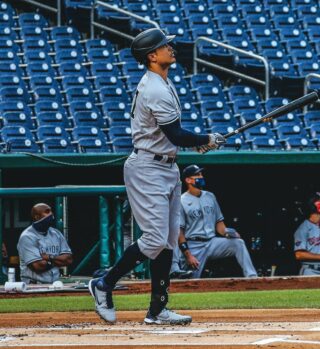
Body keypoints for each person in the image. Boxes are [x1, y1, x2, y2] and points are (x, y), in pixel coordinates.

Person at [88, 28, 226, 325]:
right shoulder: (155, 88)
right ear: (152, 55)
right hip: (148, 168)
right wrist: (206, 138)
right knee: (152, 239)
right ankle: (104, 284)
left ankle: (157, 309)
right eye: (165, 46)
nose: (170, 48)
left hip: (166, 165)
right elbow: (175, 133)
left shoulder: (161, 82)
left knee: (166, 242)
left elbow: (173, 137)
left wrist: (199, 141)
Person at [170, 165, 257, 279]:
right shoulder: (181, 200)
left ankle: (252, 277)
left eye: (201, 174)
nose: (201, 177)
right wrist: (188, 255)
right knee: (190, 282)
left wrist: (228, 233)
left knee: (238, 243)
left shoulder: (210, 196)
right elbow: (179, 233)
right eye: (198, 175)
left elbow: (219, 225)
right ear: (188, 180)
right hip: (193, 245)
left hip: (211, 242)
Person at [17, 203, 73, 284]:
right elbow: (38, 266)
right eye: (47, 211)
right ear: (37, 217)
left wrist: (49, 257)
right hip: (33, 285)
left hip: (54, 284)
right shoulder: (27, 236)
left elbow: (68, 259)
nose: (51, 214)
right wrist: (58, 260)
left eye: (51, 211)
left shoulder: (56, 233)